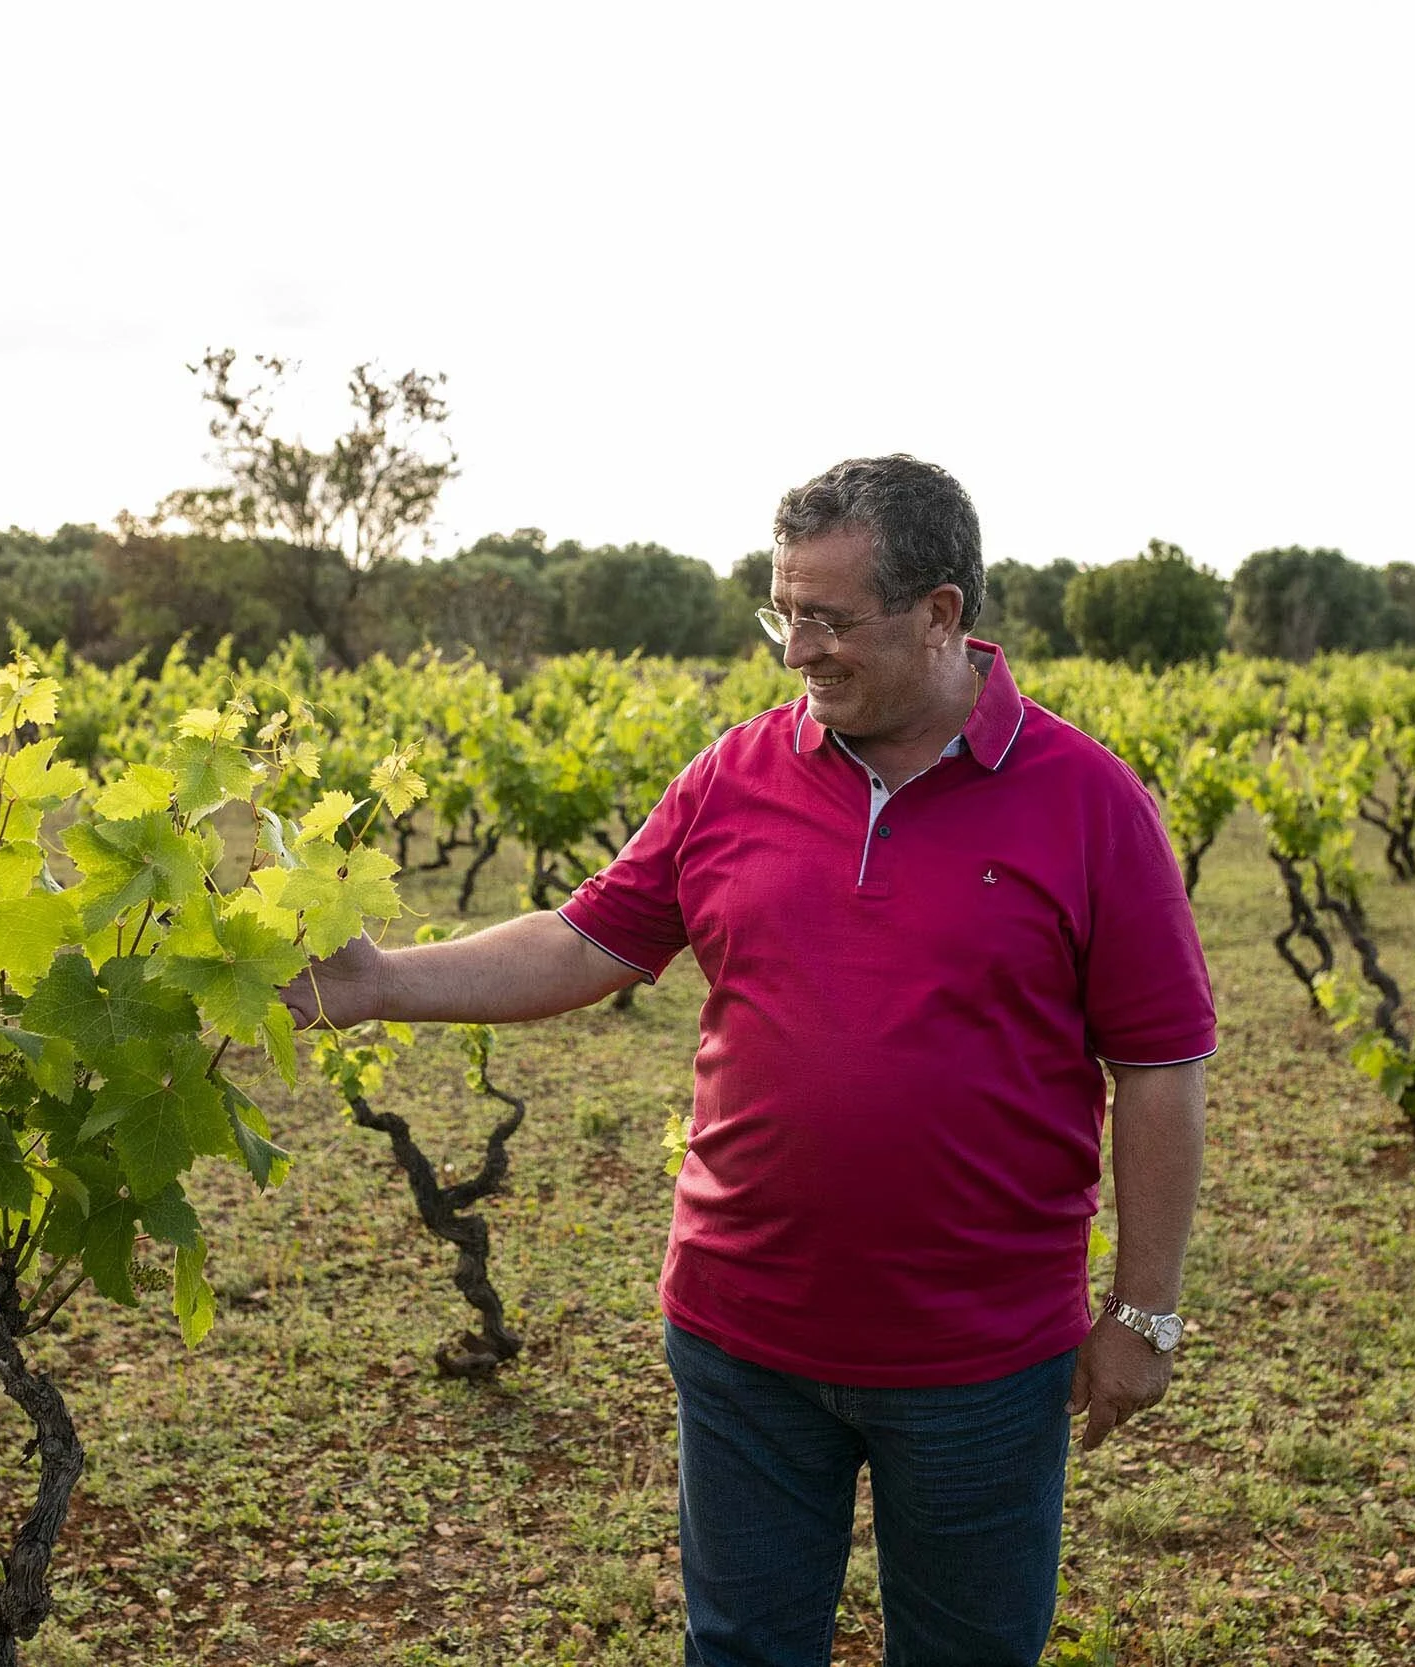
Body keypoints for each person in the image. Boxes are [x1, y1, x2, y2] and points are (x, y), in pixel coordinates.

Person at [288, 454, 1214, 1667]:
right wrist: (380, 984)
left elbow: (1160, 1064)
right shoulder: (733, 773)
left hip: (980, 1361)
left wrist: (1143, 1311)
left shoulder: (1086, 799)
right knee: (739, 1649)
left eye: (829, 618)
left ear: (940, 612)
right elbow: (583, 940)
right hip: (742, 1341)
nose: (798, 651)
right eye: (784, 614)